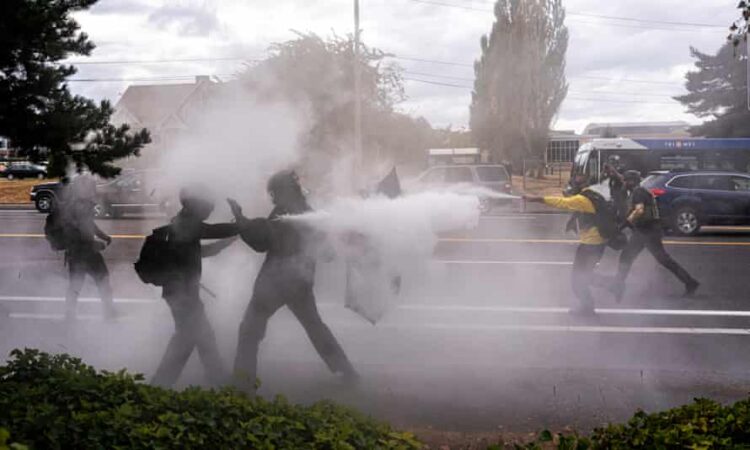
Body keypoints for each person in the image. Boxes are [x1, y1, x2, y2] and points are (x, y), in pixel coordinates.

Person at [232, 170, 358, 393]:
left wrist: (241, 220)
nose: (273, 197)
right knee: (315, 327)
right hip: (300, 281)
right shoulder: (308, 213)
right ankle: (345, 372)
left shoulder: (284, 212)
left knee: (249, 330)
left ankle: (243, 382)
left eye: (275, 192)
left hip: (275, 282)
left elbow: (262, 241)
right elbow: (326, 254)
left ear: (283, 191)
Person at [150, 185, 240, 388]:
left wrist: (230, 240)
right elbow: (213, 230)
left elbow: (204, 251)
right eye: (207, 205)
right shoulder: (186, 224)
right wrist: (241, 225)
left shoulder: (185, 223)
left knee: (202, 337)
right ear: (196, 204)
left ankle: (218, 379)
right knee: (186, 340)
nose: (210, 209)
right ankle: (159, 386)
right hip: (181, 294)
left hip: (184, 292)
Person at [524, 174, 613, 315]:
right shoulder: (593, 195)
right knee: (584, 276)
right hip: (597, 243)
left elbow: (560, 202)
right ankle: (612, 285)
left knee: (577, 279)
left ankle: (589, 306)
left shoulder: (582, 199)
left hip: (590, 245)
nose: (571, 187)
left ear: (579, 186)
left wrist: (536, 199)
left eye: (574, 185)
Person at [611, 170, 699, 301]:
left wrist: (624, 224)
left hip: (647, 231)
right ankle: (618, 285)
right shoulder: (639, 191)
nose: (624, 183)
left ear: (631, 182)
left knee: (657, 259)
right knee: (630, 257)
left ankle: (690, 282)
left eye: (626, 181)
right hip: (645, 231)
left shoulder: (638, 192)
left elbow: (639, 211)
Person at [62, 175, 118, 321]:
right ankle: (109, 313)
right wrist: (96, 243)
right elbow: (80, 230)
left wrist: (103, 236)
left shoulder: (78, 204)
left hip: (78, 253)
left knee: (76, 285)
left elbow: (89, 225)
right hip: (84, 252)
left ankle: (69, 315)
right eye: (91, 187)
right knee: (103, 281)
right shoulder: (79, 206)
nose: (94, 190)